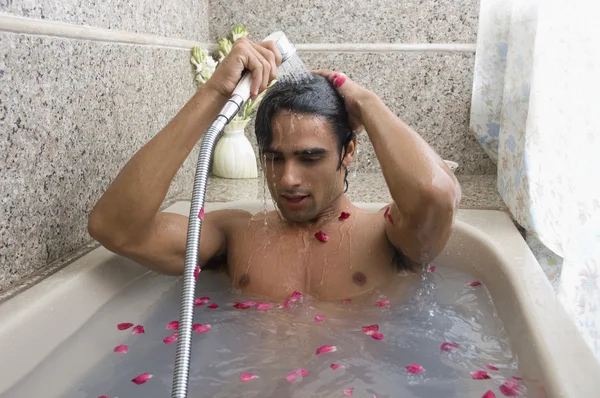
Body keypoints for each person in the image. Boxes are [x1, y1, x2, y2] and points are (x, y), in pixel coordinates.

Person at [87, 38, 461, 302]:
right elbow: (117, 229)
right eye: (274, 158)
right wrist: (216, 91)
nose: (287, 179)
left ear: (348, 152)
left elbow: (435, 194)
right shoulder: (235, 235)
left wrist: (364, 100)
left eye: (310, 157)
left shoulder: (389, 236)